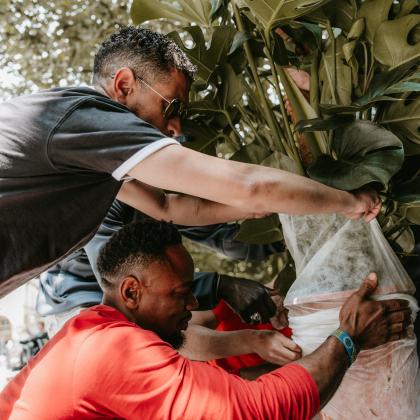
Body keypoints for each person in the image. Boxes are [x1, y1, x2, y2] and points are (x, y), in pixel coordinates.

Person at [0, 26, 381, 298]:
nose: (175, 127)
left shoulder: (89, 151)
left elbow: (168, 207)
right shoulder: (86, 117)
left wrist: (246, 210)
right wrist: (351, 202)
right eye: (172, 106)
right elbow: (250, 186)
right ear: (124, 85)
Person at [0, 220, 411, 419]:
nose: (193, 303)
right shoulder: (112, 349)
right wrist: (348, 338)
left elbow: (223, 390)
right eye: (180, 293)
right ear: (131, 292)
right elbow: (252, 411)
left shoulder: (95, 331)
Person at [36, 199, 284, 337]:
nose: (175, 130)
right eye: (169, 116)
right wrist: (221, 285)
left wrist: (286, 236)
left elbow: (221, 237)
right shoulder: (103, 199)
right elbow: (120, 279)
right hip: (78, 305)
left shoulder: (158, 194)